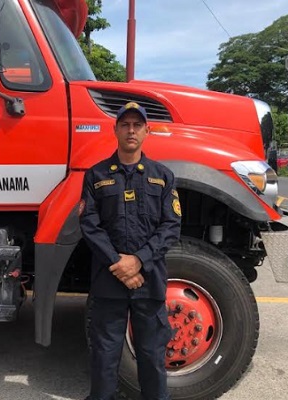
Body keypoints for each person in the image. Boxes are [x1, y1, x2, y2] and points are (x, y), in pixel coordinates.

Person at [80, 102, 182, 400]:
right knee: (104, 355)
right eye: (125, 124)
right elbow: (89, 224)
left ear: (147, 131)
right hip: (108, 280)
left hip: (148, 281)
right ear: (115, 130)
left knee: (151, 355)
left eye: (137, 125)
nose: (131, 130)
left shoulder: (163, 176)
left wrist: (138, 261)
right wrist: (119, 264)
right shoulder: (96, 175)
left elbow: (171, 226)